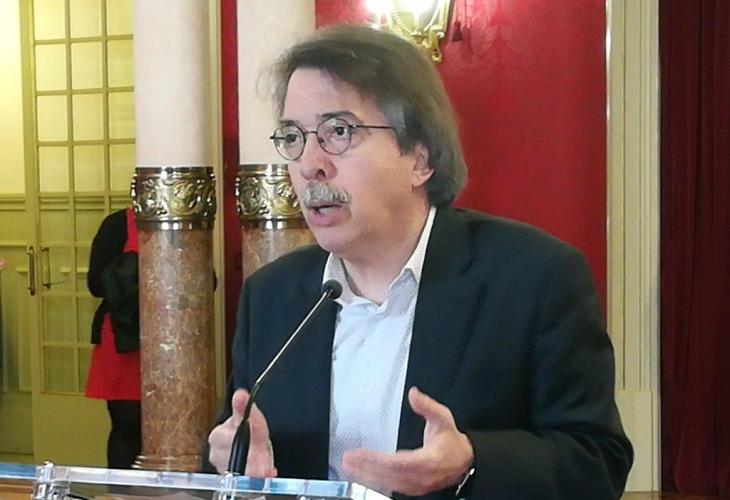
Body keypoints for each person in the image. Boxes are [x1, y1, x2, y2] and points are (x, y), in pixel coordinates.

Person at [207, 24, 633, 499]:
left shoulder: (534, 278)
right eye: (293, 137)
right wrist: (234, 459)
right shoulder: (273, 296)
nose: (309, 164)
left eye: (338, 132)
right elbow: (239, 445)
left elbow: (597, 463)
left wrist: (470, 462)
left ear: (420, 157)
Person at [85, 207, 142, 469]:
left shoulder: (185, 225)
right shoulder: (118, 224)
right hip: (124, 338)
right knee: (127, 427)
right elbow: (96, 284)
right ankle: (121, 489)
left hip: (174, 340)